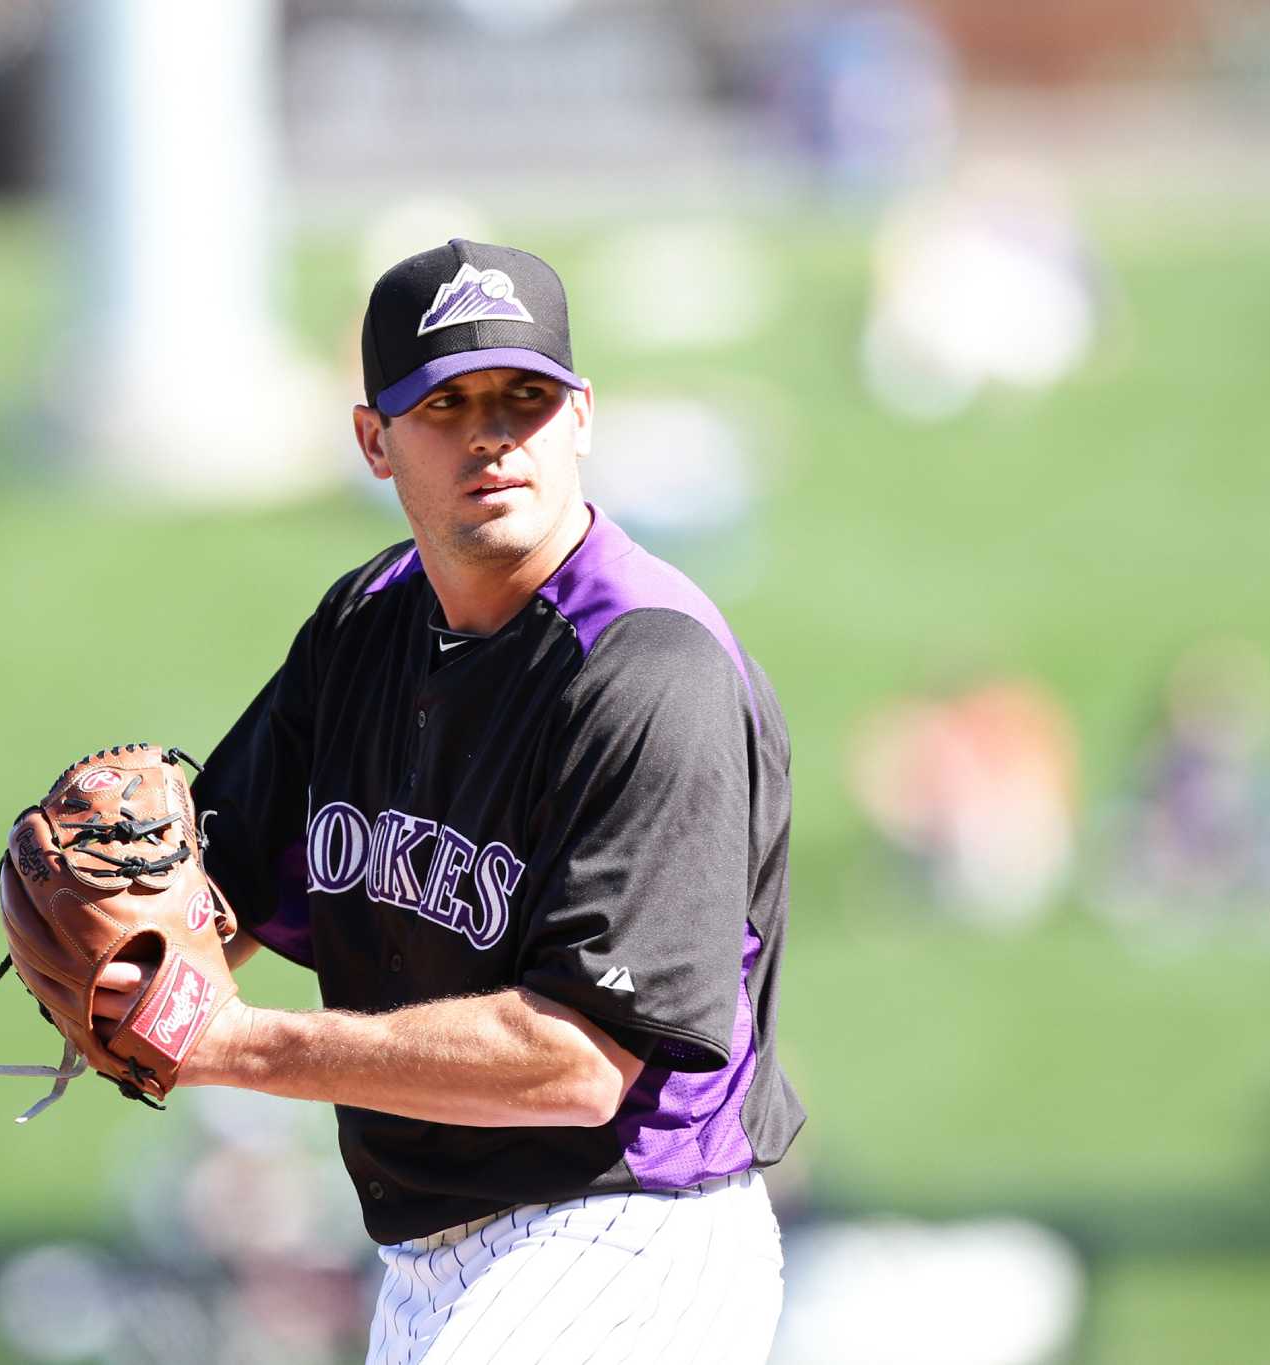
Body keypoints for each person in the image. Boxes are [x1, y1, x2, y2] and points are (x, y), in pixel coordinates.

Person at [91, 239, 803, 1363]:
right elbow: (206, 901)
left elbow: (575, 1064)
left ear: (579, 420)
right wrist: (118, 973)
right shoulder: (362, 627)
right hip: (431, 1260)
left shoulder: (647, 671)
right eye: (446, 403)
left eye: (524, 397)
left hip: (627, 1242)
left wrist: (226, 1045)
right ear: (374, 439)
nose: (490, 435)